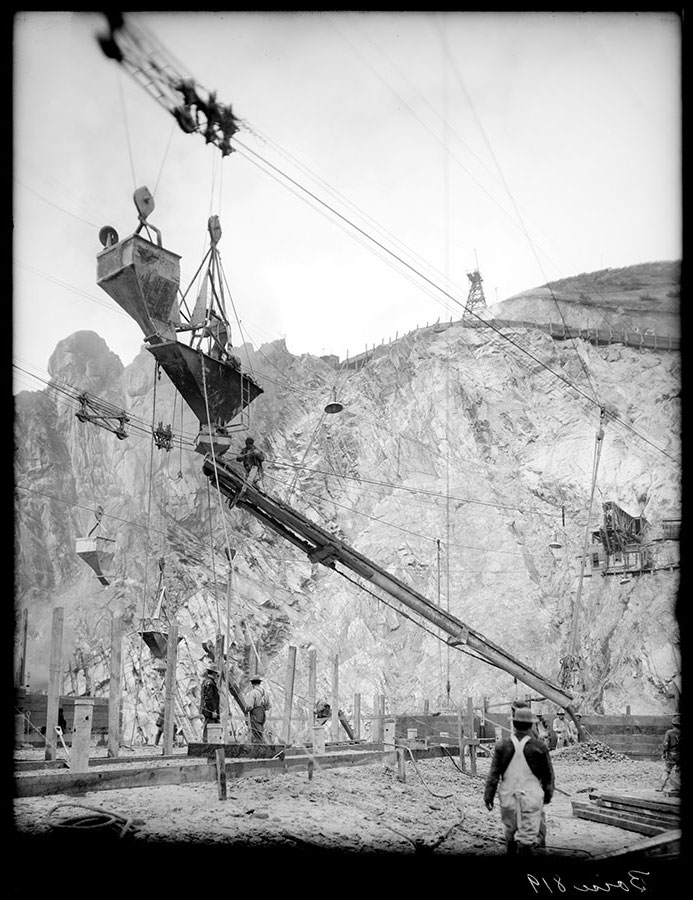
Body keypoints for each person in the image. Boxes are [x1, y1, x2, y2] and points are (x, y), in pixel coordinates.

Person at [484, 706, 555, 856]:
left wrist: (488, 796)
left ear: (514, 724)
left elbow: (494, 775)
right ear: (531, 725)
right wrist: (548, 795)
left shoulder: (502, 746)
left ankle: (511, 850)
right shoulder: (539, 747)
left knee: (510, 831)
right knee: (528, 836)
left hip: (508, 796)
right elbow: (548, 775)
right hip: (531, 797)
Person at [659, 713, 681, 792]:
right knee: (678, 771)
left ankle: (661, 786)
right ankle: (677, 787)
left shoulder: (669, 732)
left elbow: (665, 744)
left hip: (672, 754)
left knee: (667, 770)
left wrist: (664, 753)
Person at [245, 675, 271, 743]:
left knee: (256, 732)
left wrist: (246, 711)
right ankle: (263, 743)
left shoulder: (253, 692)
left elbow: (250, 706)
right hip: (262, 714)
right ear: (259, 683)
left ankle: (260, 745)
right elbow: (268, 706)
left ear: (252, 683)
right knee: (260, 730)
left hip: (255, 714)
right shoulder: (265, 692)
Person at [200, 665, 220, 742]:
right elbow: (209, 698)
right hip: (210, 710)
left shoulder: (205, 681)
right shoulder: (210, 683)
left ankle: (208, 743)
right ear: (214, 674)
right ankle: (207, 744)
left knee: (209, 727)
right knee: (210, 727)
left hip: (207, 709)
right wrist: (213, 710)